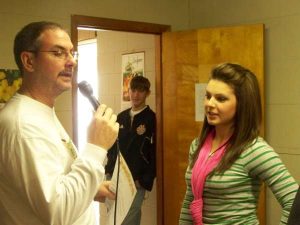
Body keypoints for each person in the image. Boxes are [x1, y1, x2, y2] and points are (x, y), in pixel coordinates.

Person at [0, 21, 119, 225]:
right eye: (58, 53)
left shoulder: (41, 111)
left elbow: (54, 185)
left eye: (72, 53)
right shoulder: (23, 125)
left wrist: (92, 188)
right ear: (29, 61)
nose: (71, 61)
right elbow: (58, 212)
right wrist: (96, 148)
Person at [179, 63, 299, 224]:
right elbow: (190, 198)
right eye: (208, 96)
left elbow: (293, 200)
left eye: (221, 98)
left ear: (242, 104)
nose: (210, 104)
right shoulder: (198, 145)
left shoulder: (255, 150)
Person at [105, 75, 156, 225]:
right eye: (133, 90)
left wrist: (144, 180)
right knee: (113, 218)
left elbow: (155, 154)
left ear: (147, 93)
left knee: (129, 219)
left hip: (136, 181)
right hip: (115, 179)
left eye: (141, 91)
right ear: (129, 91)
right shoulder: (120, 117)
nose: (136, 95)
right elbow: (112, 147)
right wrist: (108, 171)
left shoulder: (152, 119)